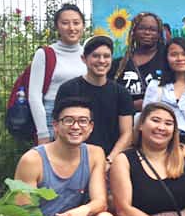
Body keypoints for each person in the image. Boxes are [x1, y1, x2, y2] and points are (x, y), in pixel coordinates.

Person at [56, 35, 133, 163]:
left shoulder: (121, 93)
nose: (101, 61)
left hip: (111, 159)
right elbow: (60, 128)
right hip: (74, 159)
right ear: (84, 59)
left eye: (106, 56)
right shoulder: (68, 89)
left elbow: (127, 133)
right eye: (95, 56)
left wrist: (109, 161)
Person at [28, 4, 87, 144]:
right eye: (65, 23)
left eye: (76, 23)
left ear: (83, 26)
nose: (72, 28)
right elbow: (34, 96)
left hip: (83, 116)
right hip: (52, 115)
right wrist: (43, 132)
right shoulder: (45, 54)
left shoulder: (89, 54)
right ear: (57, 27)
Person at [143, 37, 185, 154]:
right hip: (159, 142)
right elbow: (145, 119)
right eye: (174, 54)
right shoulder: (155, 86)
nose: (180, 59)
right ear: (166, 58)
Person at [110, 12, 168, 112]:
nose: (147, 32)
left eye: (152, 29)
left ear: (159, 34)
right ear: (134, 31)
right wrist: (132, 105)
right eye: (142, 28)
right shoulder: (118, 65)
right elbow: (109, 98)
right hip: (125, 123)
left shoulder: (167, 61)